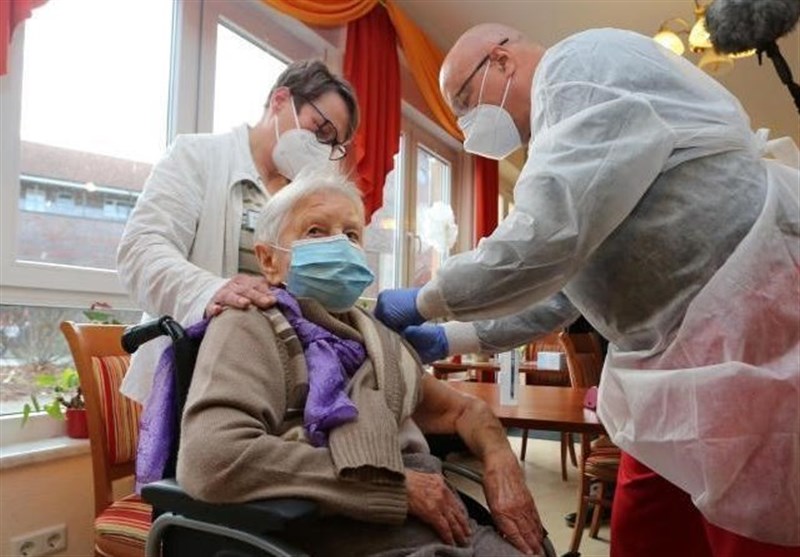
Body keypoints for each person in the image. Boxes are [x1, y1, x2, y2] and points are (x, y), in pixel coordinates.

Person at [374, 23, 800, 557]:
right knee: (647, 528)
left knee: (751, 521)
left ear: (501, 61)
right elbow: (560, 292)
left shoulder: (579, 66)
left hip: (745, 316)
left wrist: (424, 300)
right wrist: (449, 337)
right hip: (671, 360)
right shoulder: (563, 144)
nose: (466, 125)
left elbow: (546, 237)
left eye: (464, 102)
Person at [176, 168, 550, 557]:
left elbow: (464, 412)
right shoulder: (251, 325)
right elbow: (212, 458)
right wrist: (392, 486)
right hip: (336, 529)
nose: (339, 244)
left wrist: (501, 460)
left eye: (352, 235)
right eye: (316, 232)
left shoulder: (375, 337)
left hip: (428, 521)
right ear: (269, 260)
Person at [117, 60, 359, 404]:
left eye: (332, 143)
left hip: (280, 380)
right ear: (280, 100)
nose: (321, 147)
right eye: (318, 129)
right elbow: (140, 251)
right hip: (200, 378)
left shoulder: (307, 198)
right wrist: (209, 290)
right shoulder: (198, 157)